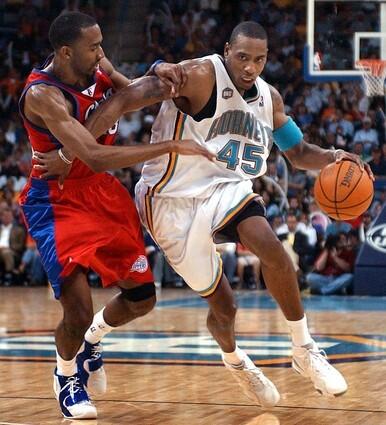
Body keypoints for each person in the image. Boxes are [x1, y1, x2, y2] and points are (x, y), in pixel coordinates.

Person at [38, 21, 374, 408]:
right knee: (225, 307)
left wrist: (332, 156)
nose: (250, 67)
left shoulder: (270, 99)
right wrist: (72, 151)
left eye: (259, 60)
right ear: (228, 50)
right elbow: (125, 99)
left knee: (272, 247)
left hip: (227, 189)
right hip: (171, 200)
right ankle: (228, 357)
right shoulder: (198, 75)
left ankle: (304, 349)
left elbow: (298, 154)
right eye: (243, 57)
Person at [19, 12, 214, 420]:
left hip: (103, 195)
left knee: (143, 299)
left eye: (101, 44)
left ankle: (92, 341)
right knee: (77, 309)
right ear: (66, 51)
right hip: (58, 200)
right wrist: (169, 147)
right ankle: (66, 375)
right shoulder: (43, 95)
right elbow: (95, 155)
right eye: (94, 47)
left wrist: (156, 72)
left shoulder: (96, 65)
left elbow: (129, 94)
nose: (101, 52)